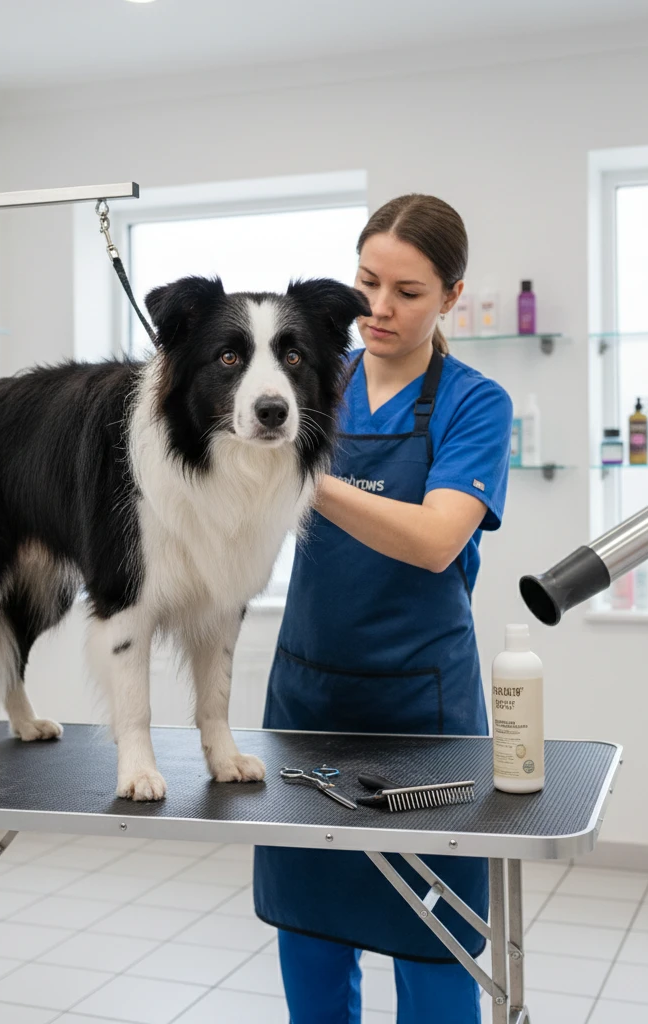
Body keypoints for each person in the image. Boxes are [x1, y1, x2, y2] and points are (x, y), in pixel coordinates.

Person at [253, 193, 513, 1024]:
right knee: (311, 938)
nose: (379, 308)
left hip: (423, 712)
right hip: (309, 704)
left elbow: (438, 538)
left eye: (408, 291)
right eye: (367, 282)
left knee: (434, 947)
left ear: (452, 296)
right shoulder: (309, 384)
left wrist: (308, 477)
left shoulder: (476, 403)